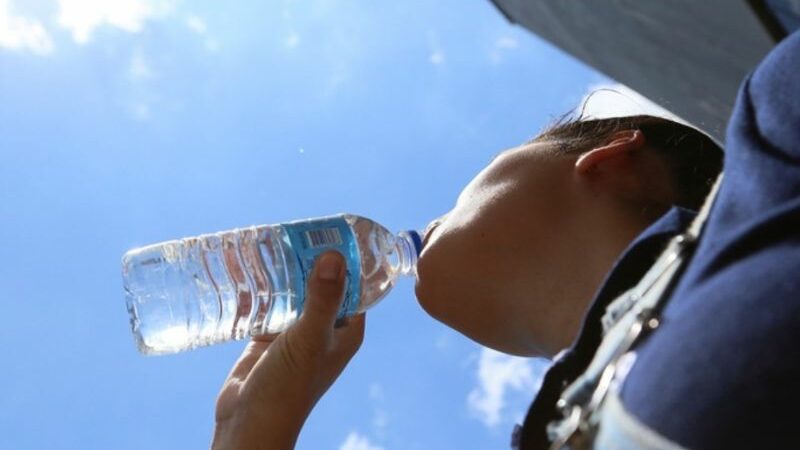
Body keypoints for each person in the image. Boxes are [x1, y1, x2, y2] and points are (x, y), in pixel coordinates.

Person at [210, 30, 800, 450]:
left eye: (461, 194)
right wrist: (254, 434)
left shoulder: (771, 175)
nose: (435, 217)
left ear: (612, 159)